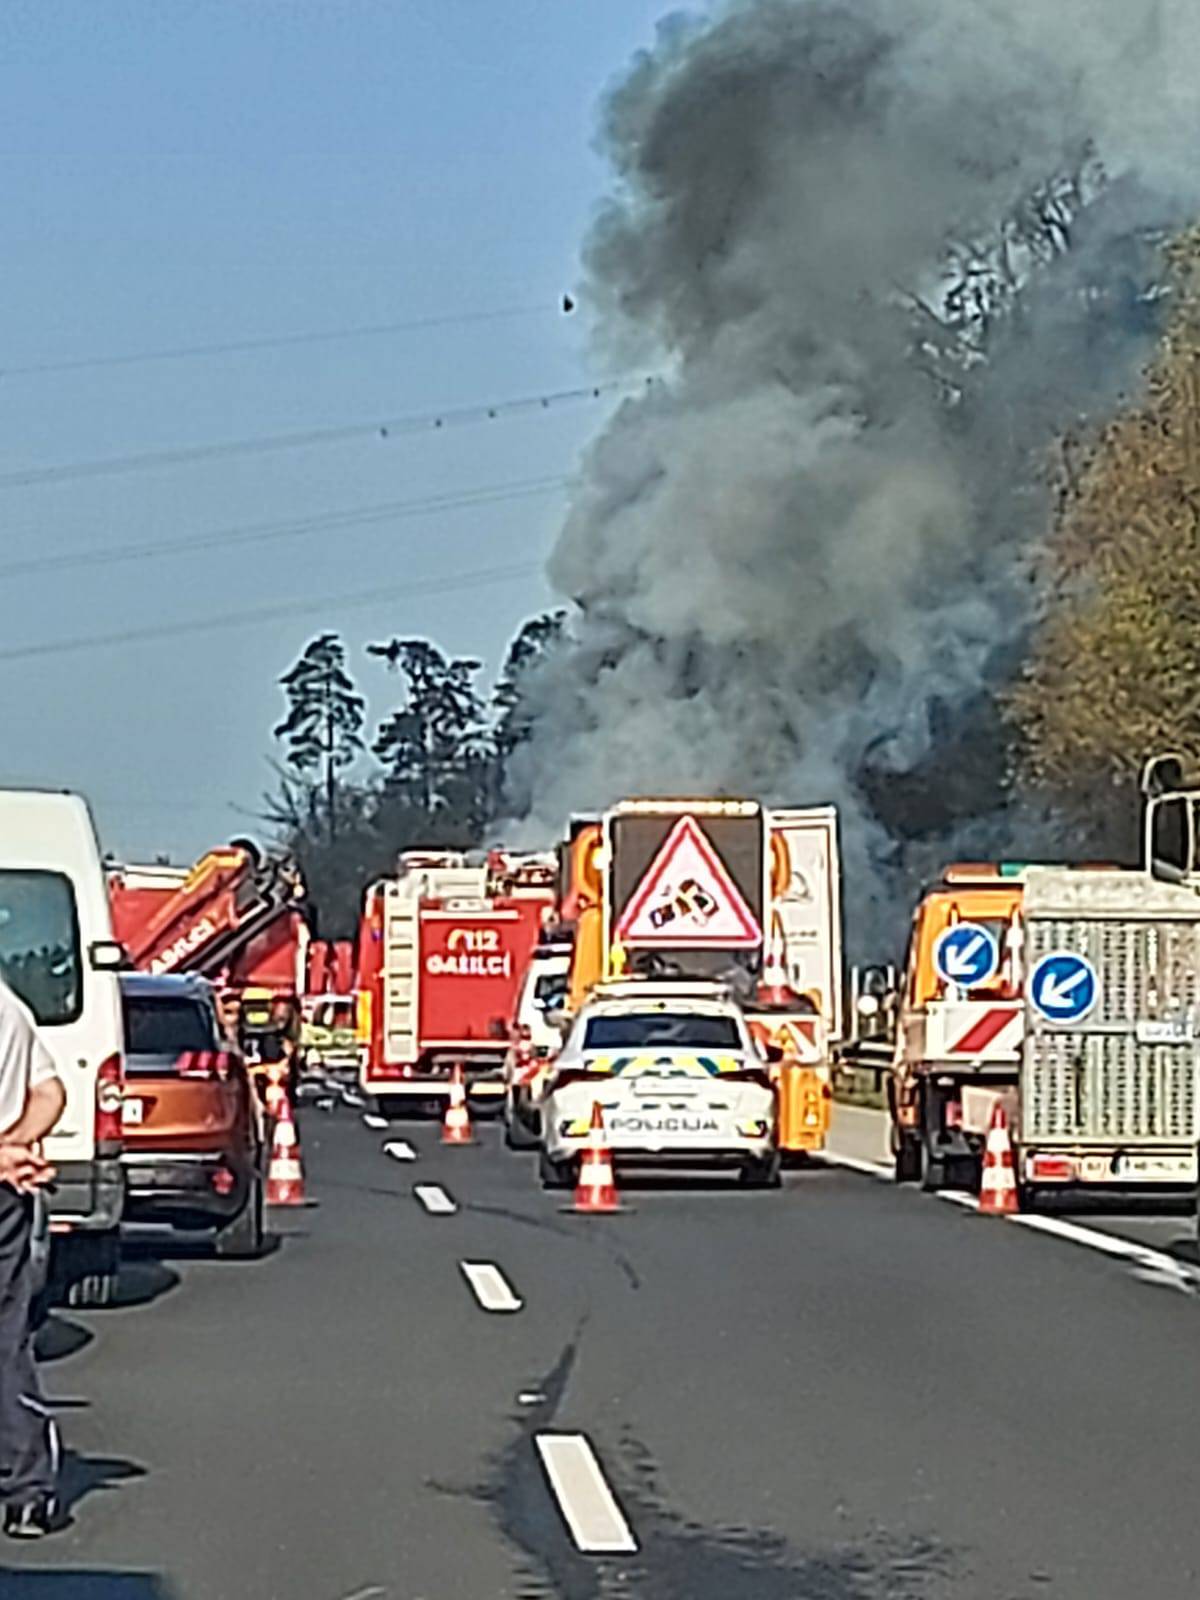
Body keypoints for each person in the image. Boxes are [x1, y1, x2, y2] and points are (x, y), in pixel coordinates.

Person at [0, 975, 66, 1538]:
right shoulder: (10, 1009)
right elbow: (50, 1092)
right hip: (3, 1198)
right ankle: (26, 1492)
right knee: (5, 1337)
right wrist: (13, 1145)